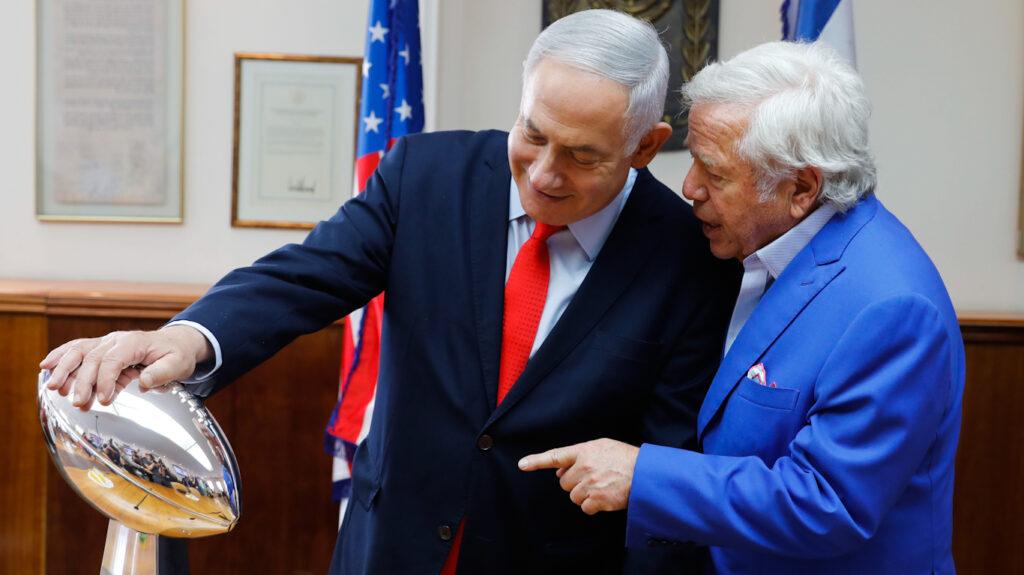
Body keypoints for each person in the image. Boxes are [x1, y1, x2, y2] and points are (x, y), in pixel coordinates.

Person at [40, 9, 738, 575]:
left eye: (584, 155)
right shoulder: (426, 175)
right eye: (533, 134)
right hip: (390, 547)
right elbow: (302, 277)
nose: (546, 173)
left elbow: (665, 459)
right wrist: (183, 339)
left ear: (646, 147)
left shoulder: (688, 257)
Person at [520, 40, 965, 575]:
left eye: (715, 173)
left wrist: (644, 476)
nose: (689, 188)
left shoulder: (891, 309)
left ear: (801, 187)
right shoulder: (765, 248)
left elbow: (828, 504)